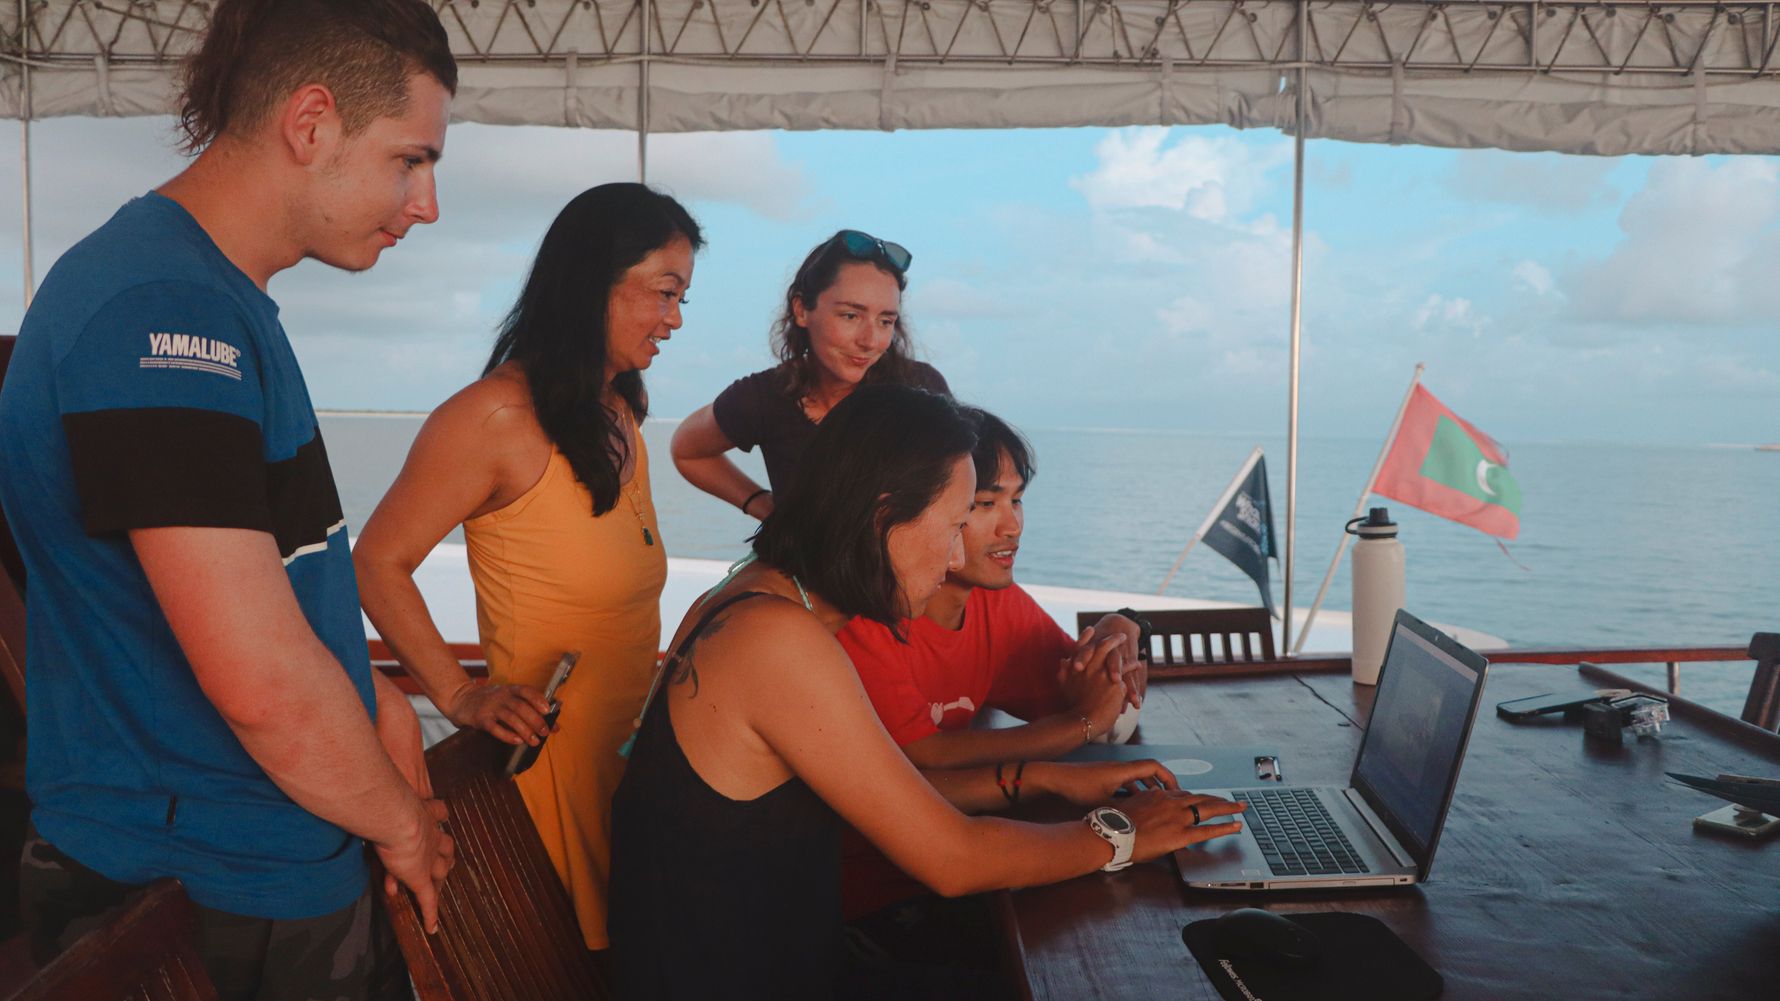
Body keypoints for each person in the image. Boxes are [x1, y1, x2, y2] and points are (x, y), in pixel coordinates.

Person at [0, 2, 457, 997]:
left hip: (245, 857)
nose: (426, 203)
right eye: (410, 158)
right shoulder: (161, 315)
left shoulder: (200, 296)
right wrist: (404, 826)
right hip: (210, 884)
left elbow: (276, 582)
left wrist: (368, 690)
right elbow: (262, 683)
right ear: (312, 123)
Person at [608, 385, 1243, 1001]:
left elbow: (890, 791)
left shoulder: (750, 592)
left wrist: (1046, 778)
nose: (950, 559)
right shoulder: (776, 640)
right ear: (885, 514)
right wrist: (1121, 833)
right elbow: (954, 859)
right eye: (953, 524)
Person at [353, 183, 702, 952]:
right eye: (664, 293)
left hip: (622, 766)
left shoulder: (621, 411)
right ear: (593, 284)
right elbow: (377, 561)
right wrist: (458, 691)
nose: (675, 319)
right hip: (548, 782)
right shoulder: (492, 419)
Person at [835, 408, 1149, 920]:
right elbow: (923, 757)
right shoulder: (858, 618)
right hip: (870, 900)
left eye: (1018, 500)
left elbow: (1105, 701)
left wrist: (1122, 630)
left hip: (959, 871)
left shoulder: (993, 603)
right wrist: (1077, 729)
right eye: (982, 504)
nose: (1012, 526)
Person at [670, 229, 948, 519]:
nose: (870, 340)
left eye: (885, 321)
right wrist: (763, 505)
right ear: (802, 310)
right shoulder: (768, 396)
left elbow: (968, 496)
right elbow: (688, 450)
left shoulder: (921, 393)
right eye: (850, 316)